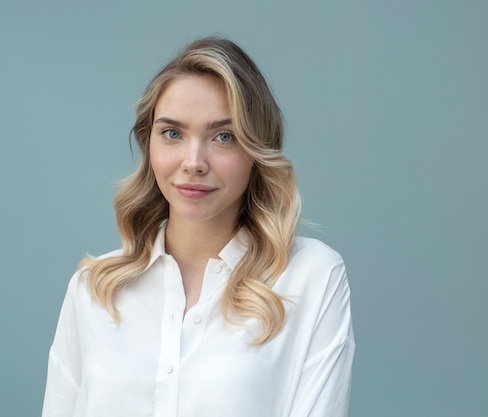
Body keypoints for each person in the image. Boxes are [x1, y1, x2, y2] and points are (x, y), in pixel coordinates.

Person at [42, 37, 354, 417]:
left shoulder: (310, 276)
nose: (193, 162)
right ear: (149, 144)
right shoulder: (94, 290)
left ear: (257, 150)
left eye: (224, 136)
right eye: (172, 133)